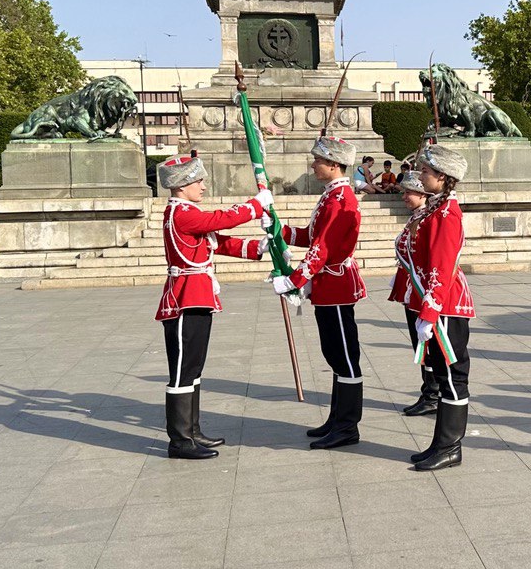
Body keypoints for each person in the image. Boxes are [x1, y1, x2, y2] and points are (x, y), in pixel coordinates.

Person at [155, 154, 272, 459]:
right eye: (198, 181)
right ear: (182, 185)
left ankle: (192, 431)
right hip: (184, 299)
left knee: (193, 368)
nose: (203, 186)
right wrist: (255, 204)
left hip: (198, 297)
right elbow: (220, 220)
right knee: (182, 370)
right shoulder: (181, 213)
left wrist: (258, 246)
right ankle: (180, 440)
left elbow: (217, 241)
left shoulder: (190, 213)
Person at [270, 136, 367, 449]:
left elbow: (323, 248)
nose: (313, 165)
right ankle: (337, 418)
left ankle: (348, 426)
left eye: (318, 161)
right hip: (327, 285)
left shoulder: (342, 199)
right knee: (334, 354)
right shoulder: (330, 196)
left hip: (336, 284)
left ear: (334, 165)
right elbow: (310, 237)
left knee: (345, 356)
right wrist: (278, 228)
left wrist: (296, 279)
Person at [390, 143, 475, 471]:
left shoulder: (447, 212)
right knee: (442, 372)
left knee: (454, 375)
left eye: (425, 171)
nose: (419, 175)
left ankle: (450, 446)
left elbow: (442, 265)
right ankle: (441, 443)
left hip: (446, 306)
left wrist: (429, 312)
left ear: (443, 177)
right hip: (435, 303)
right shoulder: (432, 209)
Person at [392, 171, 443, 418]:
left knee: (427, 346)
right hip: (413, 289)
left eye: (409, 192)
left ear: (423, 195)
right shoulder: (416, 217)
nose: (404, 197)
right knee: (419, 344)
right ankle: (428, 390)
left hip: (423, 291)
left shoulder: (426, 219)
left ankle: (433, 393)